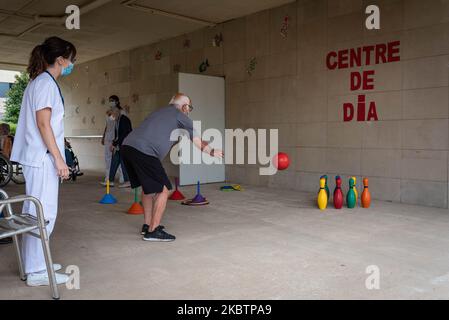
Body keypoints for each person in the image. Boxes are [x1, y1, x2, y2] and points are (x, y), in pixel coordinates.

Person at [10, 36, 76, 287]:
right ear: (61, 60)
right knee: (43, 213)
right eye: (71, 60)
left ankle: (35, 263)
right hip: (42, 158)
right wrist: (59, 160)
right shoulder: (45, 84)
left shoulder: (40, 82)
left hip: (37, 158)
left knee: (33, 212)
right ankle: (38, 270)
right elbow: (43, 124)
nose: (72, 64)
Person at [121, 93, 223, 242]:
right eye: (189, 108)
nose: (189, 111)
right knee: (165, 189)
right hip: (145, 151)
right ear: (184, 106)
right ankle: (153, 231)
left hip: (128, 147)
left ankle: (147, 225)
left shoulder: (159, 112)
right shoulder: (181, 116)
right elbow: (197, 141)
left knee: (148, 189)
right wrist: (212, 151)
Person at [106, 99, 132, 188]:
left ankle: (128, 181)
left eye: (111, 114)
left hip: (125, 144)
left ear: (115, 113)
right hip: (119, 144)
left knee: (123, 163)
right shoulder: (117, 121)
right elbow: (118, 135)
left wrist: (114, 143)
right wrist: (114, 143)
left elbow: (124, 134)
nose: (111, 117)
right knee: (114, 162)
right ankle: (110, 181)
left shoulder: (123, 120)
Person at [100, 97, 124, 186]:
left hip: (116, 138)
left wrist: (117, 139)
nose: (111, 102)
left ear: (117, 101)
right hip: (108, 137)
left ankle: (122, 178)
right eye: (110, 101)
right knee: (108, 159)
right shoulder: (108, 111)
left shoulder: (120, 111)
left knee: (118, 158)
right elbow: (107, 125)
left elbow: (117, 122)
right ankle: (108, 178)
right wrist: (103, 136)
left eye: (112, 100)